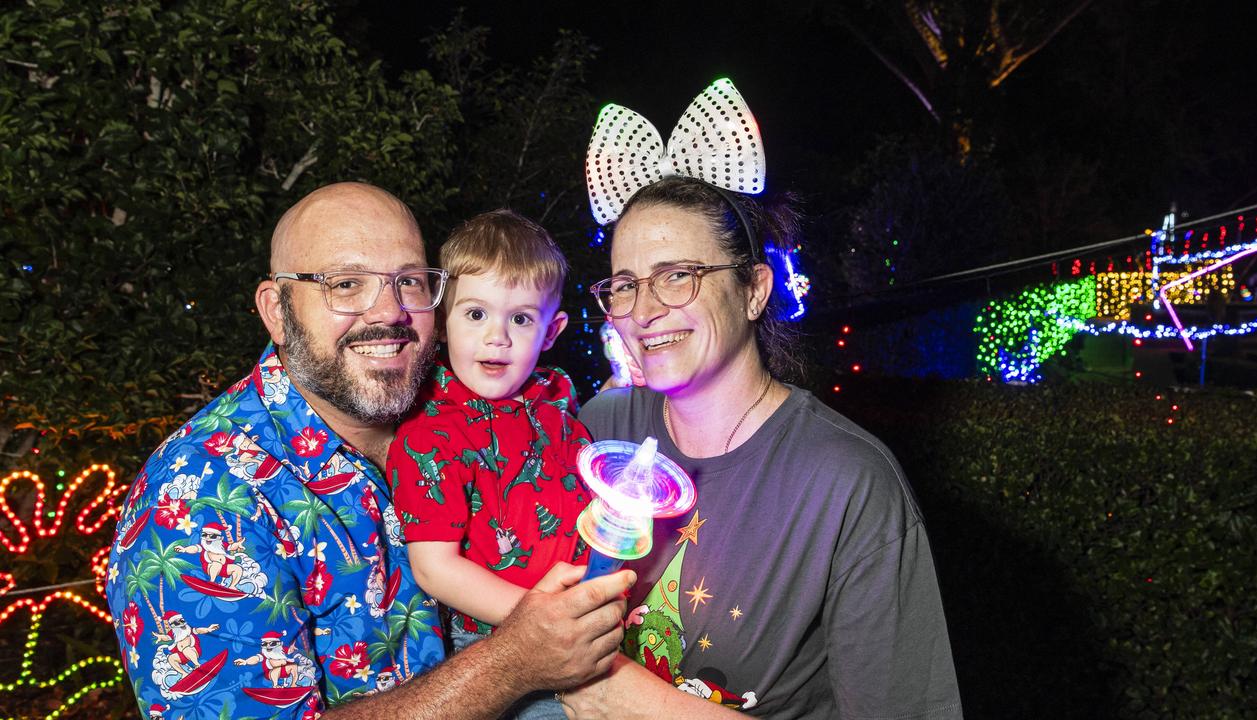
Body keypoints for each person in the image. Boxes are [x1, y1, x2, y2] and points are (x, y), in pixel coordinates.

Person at [105, 182, 632, 720]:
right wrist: (512, 662)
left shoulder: (463, 407)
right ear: (277, 311)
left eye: (408, 281)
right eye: (346, 284)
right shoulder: (201, 501)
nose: (389, 312)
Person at [562, 80, 963, 718]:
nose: (643, 309)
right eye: (625, 284)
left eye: (678, 276)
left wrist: (631, 697)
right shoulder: (597, 428)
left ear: (753, 290)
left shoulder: (848, 482)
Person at [388, 210, 591, 719]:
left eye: (520, 318)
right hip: (501, 643)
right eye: (476, 314)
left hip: (588, 618)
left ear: (551, 330)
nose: (496, 336)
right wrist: (539, 622)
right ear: (440, 322)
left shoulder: (557, 399)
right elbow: (435, 569)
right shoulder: (431, 434)